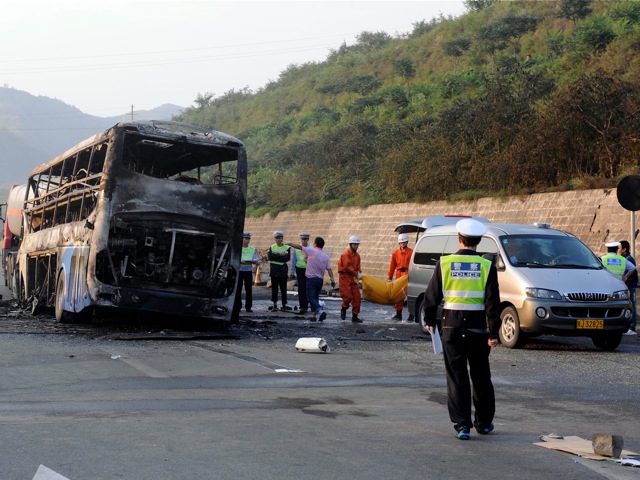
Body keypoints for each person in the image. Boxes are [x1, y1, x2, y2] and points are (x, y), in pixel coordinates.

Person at [423, 218, 501, 440]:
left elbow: (431, 296)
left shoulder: (445, 263)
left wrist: (430, 321)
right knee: (481, 375)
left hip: (451, 327)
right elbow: (493, 303)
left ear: (459, 239)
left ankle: (462, 426)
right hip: (478, 330)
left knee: (457, 376)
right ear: (478, 242)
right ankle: (484, 423)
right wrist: (494, 333)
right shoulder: (487, 266)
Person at [287, 237, 336, 322]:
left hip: (311, 279)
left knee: (310, 297)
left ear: (315, 244)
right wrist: (332, 280)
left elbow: (299, 247)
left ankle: (320, 311)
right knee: (316, 297)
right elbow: (329, 269)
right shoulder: (326, 256)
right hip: (320, 280)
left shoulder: (311, 251)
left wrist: (289, 243)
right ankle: (314, 316)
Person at [387, 233, 413, 322]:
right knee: (398, 294)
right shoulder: (395, 253)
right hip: (399, 274)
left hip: (407, 274)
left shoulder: (411, 252)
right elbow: (392, 266)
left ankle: (411, 314)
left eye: (404, 242)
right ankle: (398, 313)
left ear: (407, 242)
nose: (403, 244)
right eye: (401, 243)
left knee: (409, 294)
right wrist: (389, 277)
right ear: (399, 243)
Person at [338, 235, 363, 323]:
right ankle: (344, 308)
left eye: (357, 245)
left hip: (352, 278)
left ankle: (355, 316)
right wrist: (357, 274)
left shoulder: (357, 256)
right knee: (347, 297)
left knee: (357, 297)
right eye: (354, 244)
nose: (356, 246)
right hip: (345, 277)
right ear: (350, 244)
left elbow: (358, 266)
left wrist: (359, 273)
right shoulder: (346, 254)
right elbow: (347, 266)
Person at [268, 230, 291, 311]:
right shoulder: (272, 247)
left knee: (283, 288)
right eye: (277, 238)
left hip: (282, 270)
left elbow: (286, 258)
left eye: (280, 238)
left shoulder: (287, 247)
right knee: (274, 289)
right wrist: (280, 255)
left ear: (282, 238)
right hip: (274, 270)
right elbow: (270, 257)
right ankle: (274, 305)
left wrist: (276, 256)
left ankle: (284, 305)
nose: (278, 239)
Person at [618, 240, 637, 335]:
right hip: (627, 286)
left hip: (630, 286)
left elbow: (633, 269)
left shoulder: (628, 259)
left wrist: (626, 277)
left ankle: (632, 328)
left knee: (632, 306)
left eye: (619, 248)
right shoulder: (625, 258)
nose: (618, 250)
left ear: (624, 249)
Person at [239, 232, 259, 313]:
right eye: (246, 239)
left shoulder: (252, 249)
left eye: (248, 239)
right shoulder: (238, 248)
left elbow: (256, 260)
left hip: (248, 271)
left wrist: (253, 261)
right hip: (239, 271)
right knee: (238, 290)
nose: (247, 240)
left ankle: (248, 307)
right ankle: (238, 306)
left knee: (249, 290)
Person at [291, 232, 311, 314]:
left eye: (305, 239)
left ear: (308, 240)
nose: (304, 241)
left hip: (308, 270)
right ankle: (302, 306)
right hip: (299, 270)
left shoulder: (311, 249)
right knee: (301, 288)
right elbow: (294, 260)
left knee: (308, 288)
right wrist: (292, 271)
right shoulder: (296, 249)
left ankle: (307, 304)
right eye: (302, 239)